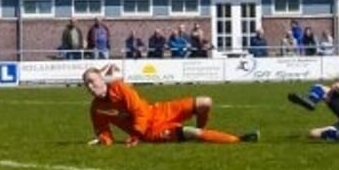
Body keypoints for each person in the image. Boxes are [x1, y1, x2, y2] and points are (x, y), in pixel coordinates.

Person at [83, 63, 257, 145]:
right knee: (191, 132)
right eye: (87, 84)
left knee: (205, 102)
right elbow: (104, 132)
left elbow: (139, 111)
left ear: (101, 78)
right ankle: (238, 139)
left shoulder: (120, 88)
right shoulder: (96, 109)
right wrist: (103, 140)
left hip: (159, 112)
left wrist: (135, 134)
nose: (90, 87)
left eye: (92, 81)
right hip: (151, 132)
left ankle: (203, 135)